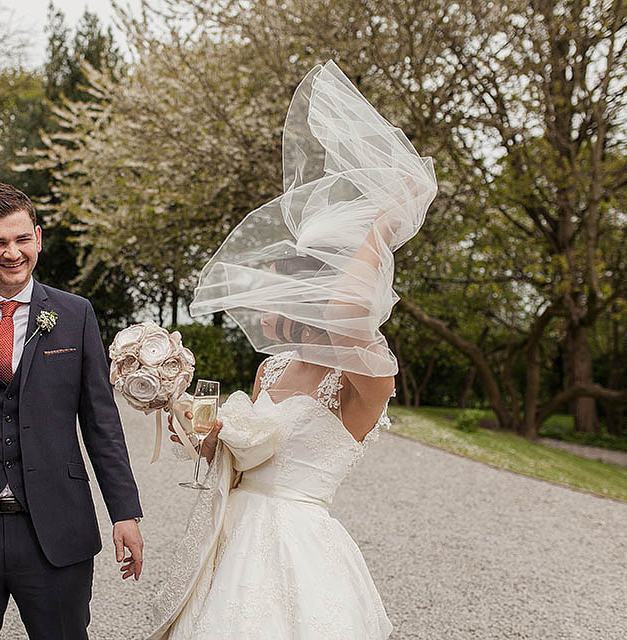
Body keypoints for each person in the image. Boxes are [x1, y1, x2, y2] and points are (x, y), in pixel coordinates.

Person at [148, 61, 437, 639]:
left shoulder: (367, 376)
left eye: (288, 288)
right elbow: (235, 462)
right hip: (230, 535)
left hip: (301, 546)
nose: (273, 301)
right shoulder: (273, 367)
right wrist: (198, 432)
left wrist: (378, 231)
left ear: (319, 292)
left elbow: (347, 314)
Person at [0, 183, 144, 640]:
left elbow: (101, 423)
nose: (12, 253)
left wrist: (124, 513)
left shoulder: (75, 315)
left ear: (37, 237)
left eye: (21, 239)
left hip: (55, 530)